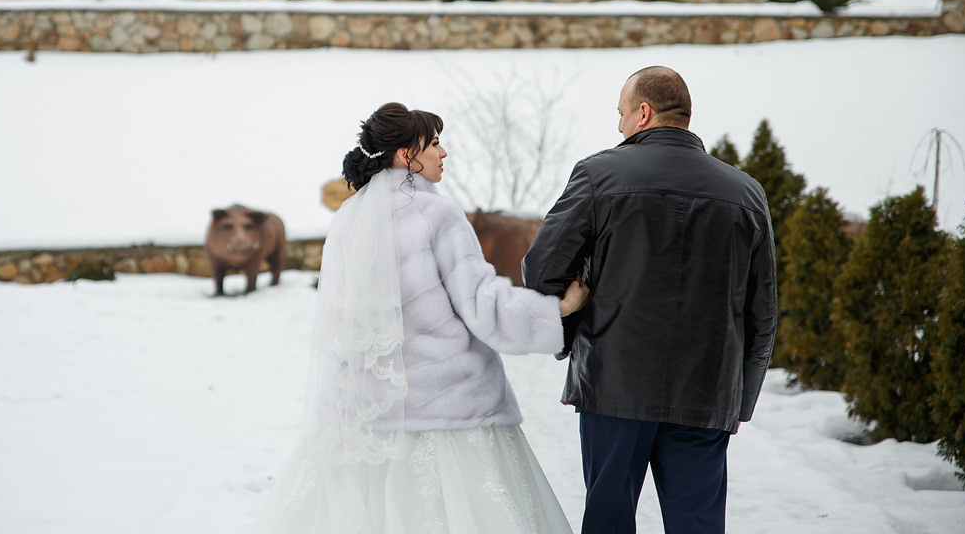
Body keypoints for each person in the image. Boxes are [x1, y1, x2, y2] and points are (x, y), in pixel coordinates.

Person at [253, 101, 589, 534]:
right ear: (405, 155)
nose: (443, 153)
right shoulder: (437, 214)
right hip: (448, 412)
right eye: (434, 144)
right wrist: (556, 312)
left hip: (367, 413)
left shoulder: (348, 219)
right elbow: (482, 306)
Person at [522, 66, 777, 534]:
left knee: (608, 519)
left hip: (613, 383)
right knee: (697, 524)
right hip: (707, 388)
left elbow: (541, 269)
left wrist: (568, 322)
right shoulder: (746, 193)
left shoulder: (599, 174)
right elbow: (762, 311)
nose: (617, 126)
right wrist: (741, 398)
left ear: (643, 112)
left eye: (620, 114)